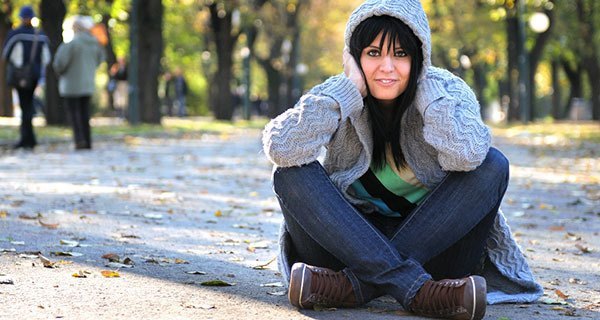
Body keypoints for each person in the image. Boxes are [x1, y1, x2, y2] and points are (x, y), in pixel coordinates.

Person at [262, 1, 543, 319]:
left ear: (419, 56)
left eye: (400, 54)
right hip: (345, 246)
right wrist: (347, 90)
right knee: (290, 173)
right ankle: (417, 291)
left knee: (493, 164)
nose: (386, 67)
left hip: (437, 252)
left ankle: (354, 287)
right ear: (354, 57)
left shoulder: (447, 91)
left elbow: (466, 154)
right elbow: (281, 147)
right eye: (372, 53)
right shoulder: (338, 93)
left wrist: (427, 89)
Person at [2, 5, 50, 150]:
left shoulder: (16, 35)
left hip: (20, 75)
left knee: (25, 105)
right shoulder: (40, 35)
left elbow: (6, 54)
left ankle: (26, 138)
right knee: (28, 104)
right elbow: (46, 58)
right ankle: (29, 138)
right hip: (34, 75)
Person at [52, 16, 104, 150]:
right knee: (85, 113)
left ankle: (79, 139)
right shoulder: (95, 43)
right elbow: (100, 60)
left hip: (71, 84)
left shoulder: (72, 44)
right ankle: (87, 140)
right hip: (88, 83)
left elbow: (60, 63)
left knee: (74, 113)